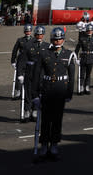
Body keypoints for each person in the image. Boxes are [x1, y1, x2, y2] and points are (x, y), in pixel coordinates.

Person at [33, 27, 76, 160]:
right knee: (45, 120)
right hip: (47, 89)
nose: (58, 41)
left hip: (60, 90)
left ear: (63, 39)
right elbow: (37, 75)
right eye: (55, 39)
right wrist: (35, 94)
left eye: (60, 39)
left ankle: (54, 145)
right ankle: (44, 145)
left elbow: (71, 76)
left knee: (57, 120)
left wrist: (69, 94)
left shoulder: (69, 54)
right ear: (51, 39)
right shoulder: (44, 53)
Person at [17, 26, 49, 122]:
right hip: (30, 71)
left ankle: (35, 110)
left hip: (41, 73)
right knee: (28, 92)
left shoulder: (47, 46)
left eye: (41, 34)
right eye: (37, 34)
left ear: (43, 35)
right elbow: (22, 60)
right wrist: (20, 74)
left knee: (38, 92)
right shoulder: (28, 45)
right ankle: (27, 110)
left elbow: (49, 62)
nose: (39, 36)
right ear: (35, 34)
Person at [75, 23, 93, 95]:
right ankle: (81, 87)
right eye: (88, 30)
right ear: (86, 30)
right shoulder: (82, 39)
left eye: (91, 30)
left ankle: (87, 87)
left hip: (91, 57)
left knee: (88, 74)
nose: (89, 31)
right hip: (83, 57)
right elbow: (77, 49)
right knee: (82, 74)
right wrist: (76, 58)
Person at [11, 25, 34, 98]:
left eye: (29, 31)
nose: (28, 32)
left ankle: (30, 91)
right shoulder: (20, 40)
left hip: (30, 60)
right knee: (19, 76)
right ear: (24, 32)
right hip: (21, 60)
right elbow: (15, 50)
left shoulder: (34, 40)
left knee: (31, 76)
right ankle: (18, 91)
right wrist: (13, 61)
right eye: (26, 31)